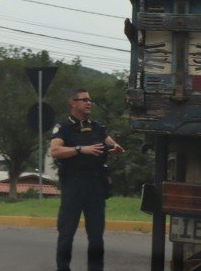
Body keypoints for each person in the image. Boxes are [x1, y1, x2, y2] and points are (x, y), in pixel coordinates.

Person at [50, 89, 124, 271]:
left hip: (96, 185)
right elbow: (55, 151)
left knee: (97, 235)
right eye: (84, 100)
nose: (88, 103)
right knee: (67, 233)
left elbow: (112, 144)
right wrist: (80, 149)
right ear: (73, 103)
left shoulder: (96, 127)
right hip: (74, 184)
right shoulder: (64, 127)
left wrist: (116, 148)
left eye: (90, 100)